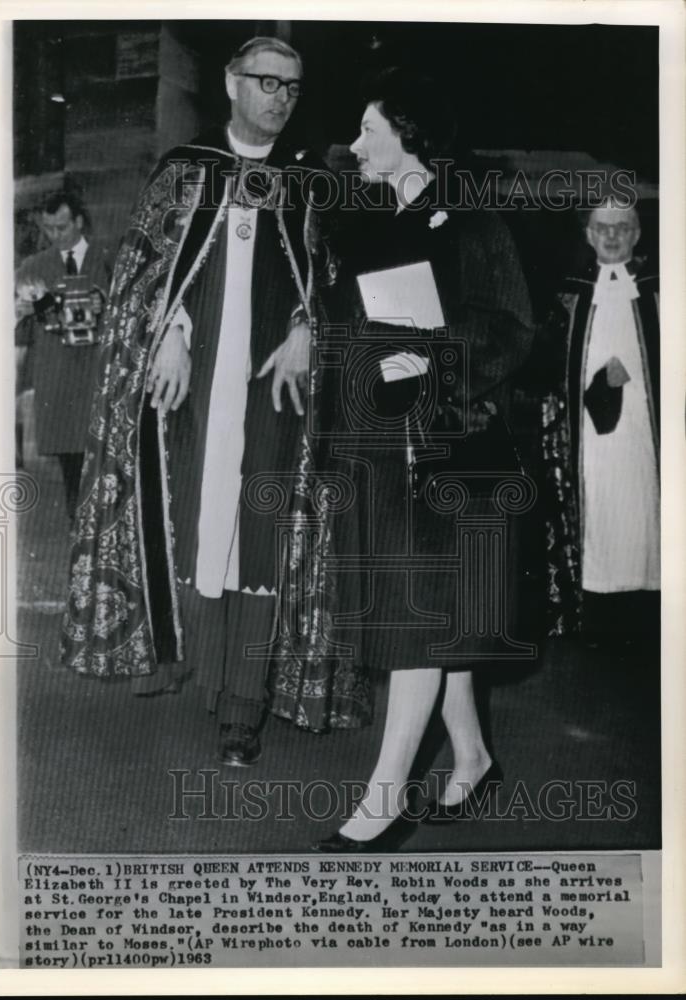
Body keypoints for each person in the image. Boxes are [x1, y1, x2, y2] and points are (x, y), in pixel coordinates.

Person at [60, 37, 335, 767]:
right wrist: (171, 331)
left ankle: (242, 705)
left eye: (291, 87)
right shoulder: (184, 171)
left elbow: (332, 280)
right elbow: (142, 268)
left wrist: (311, 328)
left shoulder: (306, 184)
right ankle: (177, 654)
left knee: (260, 532)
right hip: (194, 377)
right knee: (182, 515)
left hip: (273, 385)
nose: (279, 96)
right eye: (266, 81)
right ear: (230, 83)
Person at [302, 68, 535, 849]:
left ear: (411, 137)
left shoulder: (472, 221)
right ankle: (470, 755)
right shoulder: (369, 222)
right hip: (382, 448)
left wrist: (433, 363)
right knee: (428, 612)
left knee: (418, 620)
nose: (356, 145)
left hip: (451, 451)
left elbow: (510, 330)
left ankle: (383, 798)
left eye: (370, 130)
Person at [542, 200, 659, 642]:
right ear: (588, 235)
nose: (612, 236)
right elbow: (550, 367)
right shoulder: (569, 295)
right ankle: (597, 620)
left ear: (637, 234)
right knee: (598, 518)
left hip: (647, 436)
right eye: (602, 228)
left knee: (645, 515)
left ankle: (649, 617)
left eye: (622, 228)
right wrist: (595, 387)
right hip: (587, 440)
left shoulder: (660, 291)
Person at [15, 191, 112, 520]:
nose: (56, 236)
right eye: (49, 229)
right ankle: (80, 551)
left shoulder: (109, 258)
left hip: (99, 380)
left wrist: (105, 304)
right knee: (73, 477)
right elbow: (16, 325)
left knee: (105, 469)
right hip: (59, 387)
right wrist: (20, 310)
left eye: (62, 227)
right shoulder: (33, 267)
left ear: (79, 221)